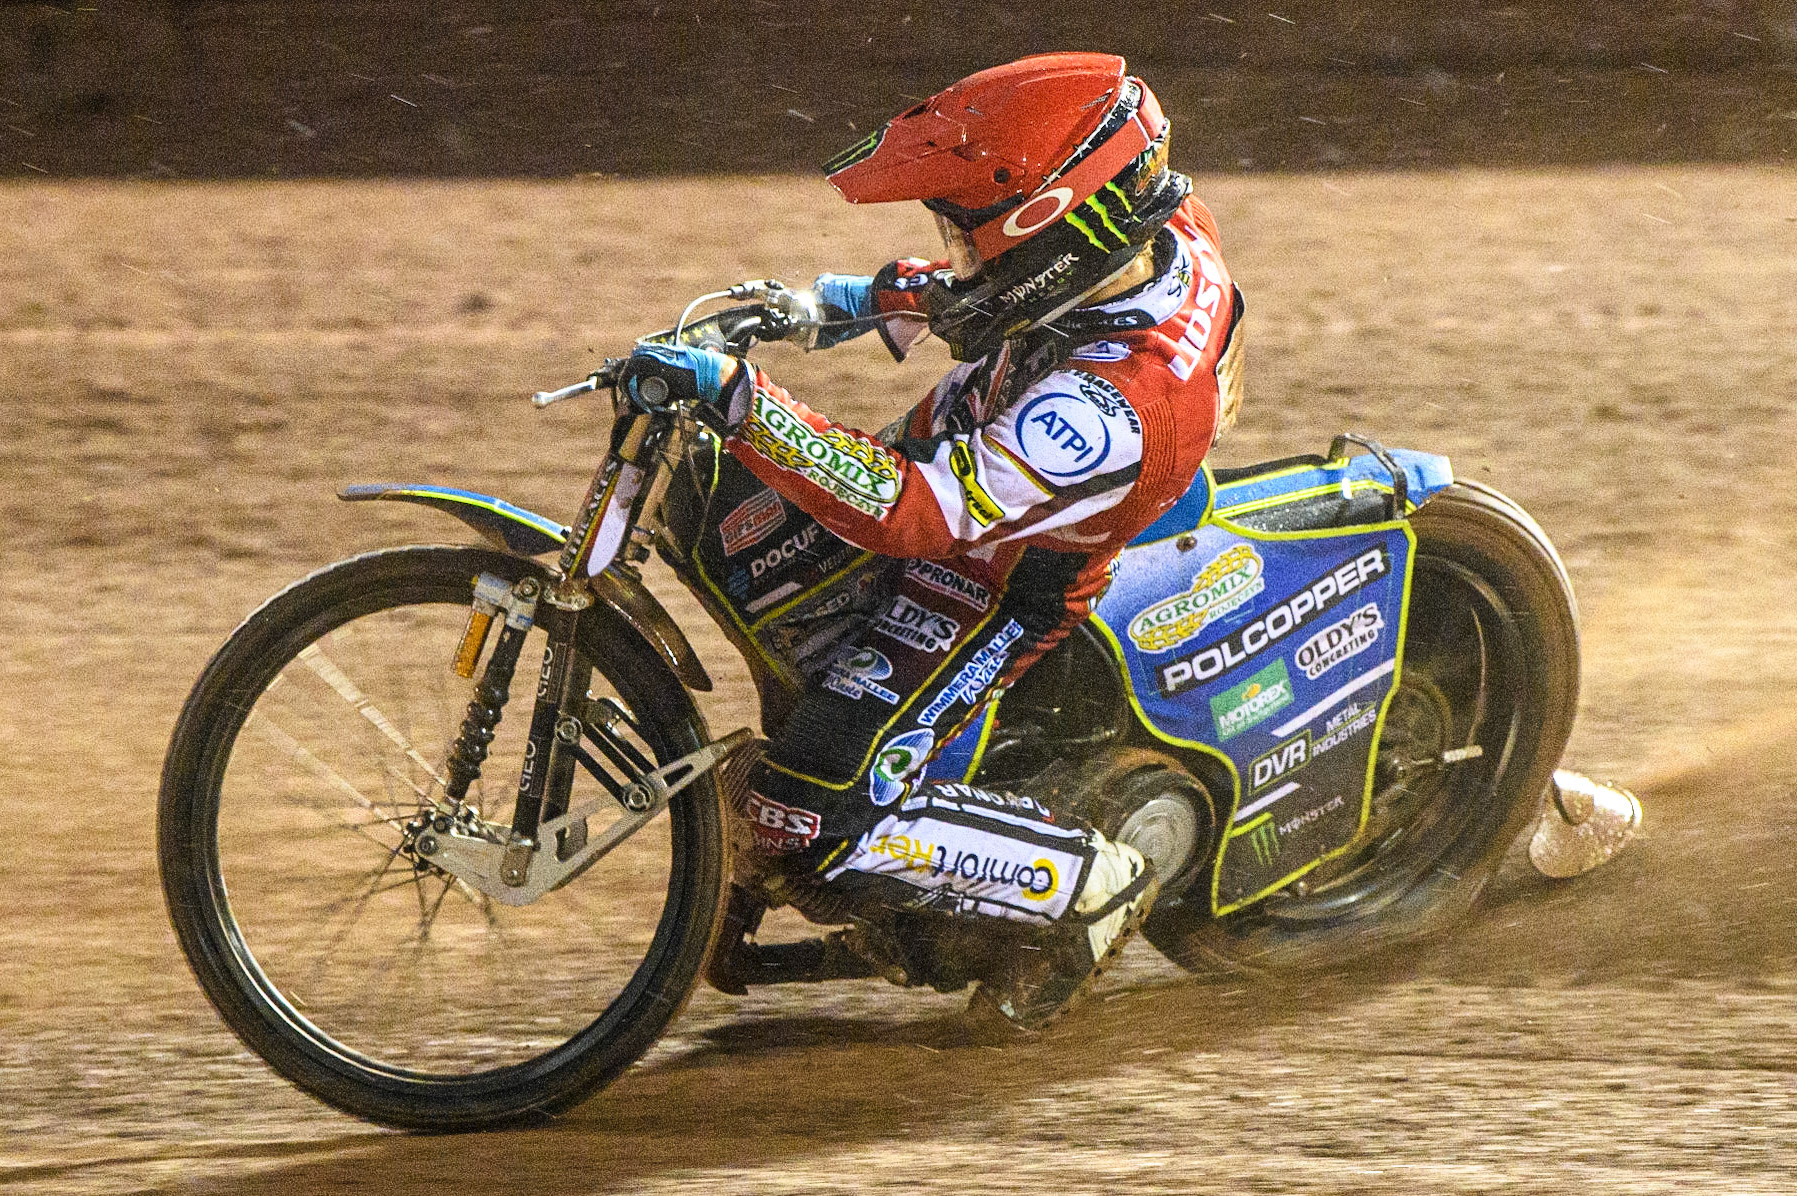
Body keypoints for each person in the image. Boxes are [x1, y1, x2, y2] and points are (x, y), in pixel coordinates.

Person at [618, 52, 1245, 1029]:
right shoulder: (1141, 228)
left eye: (967, 235)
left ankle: (1092, 880)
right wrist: (828, 302)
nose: (954, 253)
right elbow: (985, 294)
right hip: (992, 443)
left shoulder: (1112, 404)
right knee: (749, 535)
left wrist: (745, 398)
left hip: (998, 574)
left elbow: (917, 515)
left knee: (802, 813)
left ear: (1051, 227)